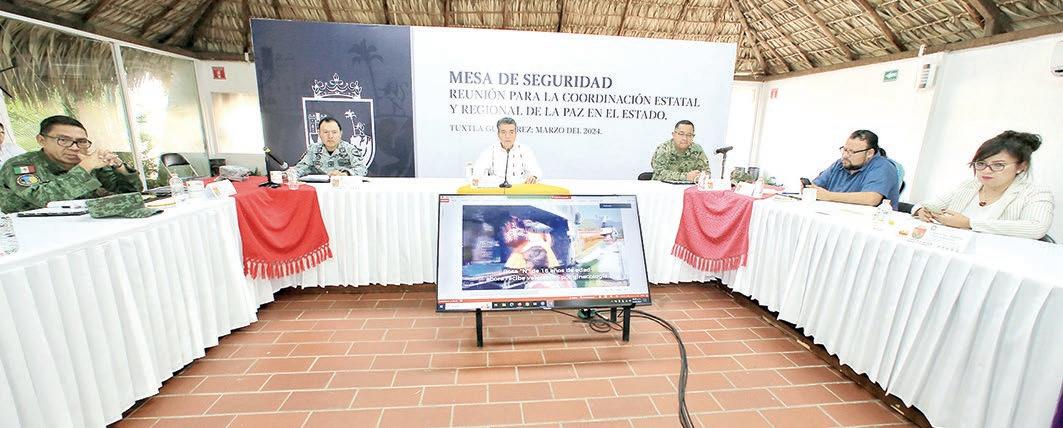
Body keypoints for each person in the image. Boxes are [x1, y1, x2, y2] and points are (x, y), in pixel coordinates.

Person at [911, 131, 1054, 239]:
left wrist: (969, 223)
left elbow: (1036, 228)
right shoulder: (969, 186)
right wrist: (921, 211)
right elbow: (924, 205)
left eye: (998, 165)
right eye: (981, 164)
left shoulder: (1036, 194)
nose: (986, 170)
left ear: (1021, 166)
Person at [0, 115, 143, 213]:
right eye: (63, 140)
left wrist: (119, 167)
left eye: (81, 141)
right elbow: (44, 199)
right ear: (41, 140)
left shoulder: (87, 161)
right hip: (35, 235)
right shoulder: (20, 165)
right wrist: (85, 168)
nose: (75, 147)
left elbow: (131, 194)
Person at [808, 130, 899, 209]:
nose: (845, 155)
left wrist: (828, 196)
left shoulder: (883, 167)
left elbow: (871, 199)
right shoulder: (841, 163)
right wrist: (807, 188)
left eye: (852, 152)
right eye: (845, 150)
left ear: (869, 153)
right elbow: (815, 187)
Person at [472, 117, 542, 184]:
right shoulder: (489, 151)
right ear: (498, 134)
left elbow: (536, 171)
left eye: (511, 132)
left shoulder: (525, 150)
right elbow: (477, 173)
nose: (507, 136)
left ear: (515, 134)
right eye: (503, 132)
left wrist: (534, 177)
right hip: (497, 189)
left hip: (519, 189)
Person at [293, 116, 368, 177]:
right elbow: (301, 168)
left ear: (340, 133)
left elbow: (362, 168)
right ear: (319, 133)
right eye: (326, 132)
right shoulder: (313, 149)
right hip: (319, 187)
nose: (330, 136)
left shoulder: (349, 149)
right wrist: (291, 174)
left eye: (334, 132)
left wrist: (345, 174)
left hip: (344, 186)